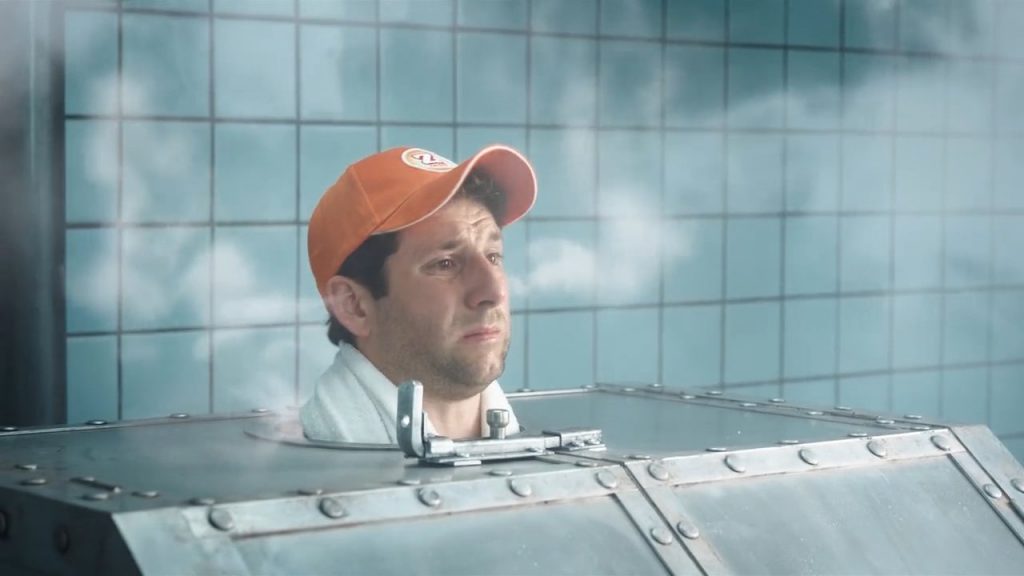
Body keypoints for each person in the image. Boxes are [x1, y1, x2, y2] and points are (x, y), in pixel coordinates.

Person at [300, 145, 536, 444]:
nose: (493, 291)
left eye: (492, 256)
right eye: (445, 264)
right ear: (354, 306)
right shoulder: (316, 480)